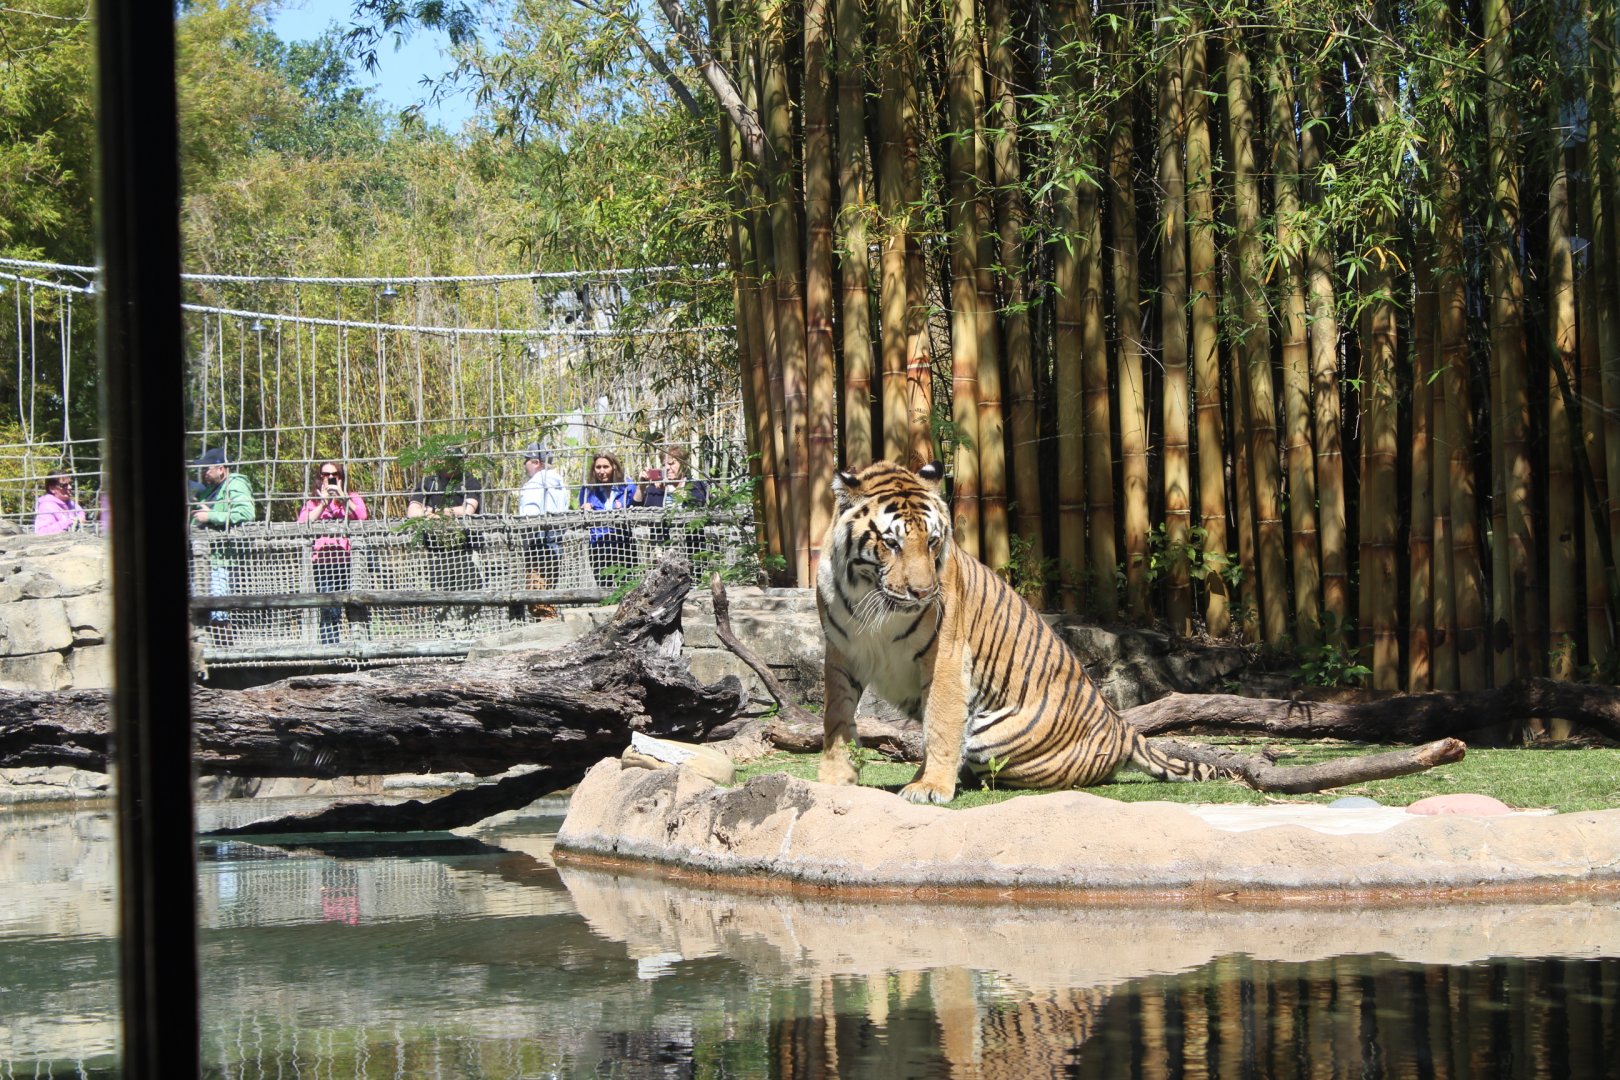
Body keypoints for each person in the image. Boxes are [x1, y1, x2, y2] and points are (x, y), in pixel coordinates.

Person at [297, 461, 369, 645]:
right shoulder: (313, 501)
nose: (330, 478)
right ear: (320, 477)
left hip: (349, 561)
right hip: (324, 563)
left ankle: (361, 647)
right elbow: (302, 522)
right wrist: (323, 504)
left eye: (334, 474)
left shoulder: (351, 497)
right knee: (330, 609)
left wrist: (343, 498)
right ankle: (331, 650)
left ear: (341, 477)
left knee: (356, 605)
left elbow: (362, 516)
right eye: (325, 474)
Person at [191, 447, 256, 635]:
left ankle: (222, 648)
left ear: (221, 469)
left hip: (221, 559)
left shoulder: (235, 483)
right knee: (199, 608)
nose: (204, 472)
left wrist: (210, 515)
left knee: (218, 610)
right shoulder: (209, 490)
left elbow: (246, 513)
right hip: (201, 559)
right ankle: (204, 645)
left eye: (207, 468)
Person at [405, 450, 484, 601]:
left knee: (471, 600)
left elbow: (467, 510)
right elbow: (412, 511)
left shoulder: (469, 481)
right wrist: (445, 513)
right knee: (439, 601)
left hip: (465, 550)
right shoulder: (428, 483)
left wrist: (434, 512)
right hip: (437, 551)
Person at [518, 443, 568, 614]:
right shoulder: (559, 484)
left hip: (538, 542)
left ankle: (548, 625)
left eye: (526, 461)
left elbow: (529, 515)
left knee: (537, 599)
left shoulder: (535, 484)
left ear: (536, 462)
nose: (524, 465)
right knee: (547, 593)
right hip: (555, 543)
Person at [578, 451, 633, 586]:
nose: (601, 471)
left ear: (614, 467)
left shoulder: (627, 486)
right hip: (598, 545)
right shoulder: (588, 490)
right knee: (604, 586)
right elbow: (583, 513)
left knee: (627, 586)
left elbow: (637, 503)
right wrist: (585, 509)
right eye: (598, 467)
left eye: (605, 467)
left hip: (623, 544)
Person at [631, 446, 709, 509]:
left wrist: (670, 493)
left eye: (671, 464)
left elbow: (698, 505)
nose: (667, 468)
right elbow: (636, 509)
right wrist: (640, 488)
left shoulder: (696, 486)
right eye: (664, 465)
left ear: (683, 464)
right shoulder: (654, 488)